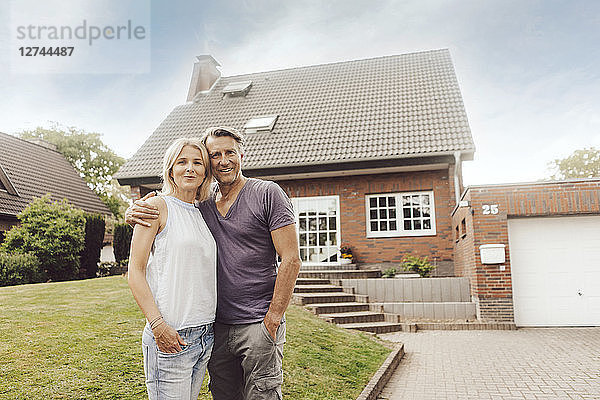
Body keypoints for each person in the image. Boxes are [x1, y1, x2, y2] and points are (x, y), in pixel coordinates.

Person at [126, 126, 301, 400]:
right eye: (215, 155)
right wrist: (134, 210)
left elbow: (291, 259)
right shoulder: (201, 204)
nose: (223, 160)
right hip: (216, 329)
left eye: (229, 152)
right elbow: (161, 222)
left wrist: (273, 319)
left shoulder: (267, 193)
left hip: (257, 325)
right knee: (223, 395)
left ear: (241, 155)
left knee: (262, 396)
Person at [127, 138, 217, 400]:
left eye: (197, 162)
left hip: (204, 335)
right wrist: (157, 325)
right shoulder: (156, 207)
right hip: (170, 335)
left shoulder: (204, 211)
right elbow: (135, 270)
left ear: (205, 172)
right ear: (170, 170)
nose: (190, 168)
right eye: (182, 162)